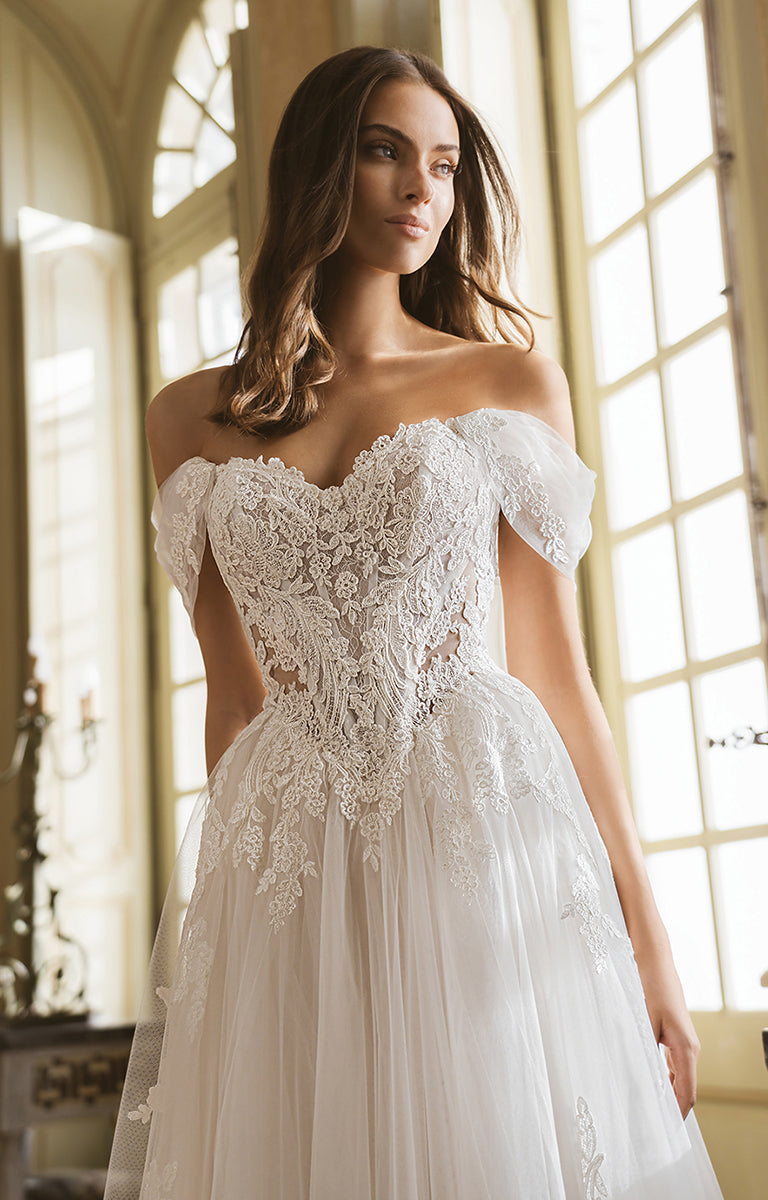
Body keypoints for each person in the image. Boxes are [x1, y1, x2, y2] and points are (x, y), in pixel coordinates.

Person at [105, 44, 724, 1200]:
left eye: (441, 164)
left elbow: (554, 674)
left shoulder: (506, 381)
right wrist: (224, 936)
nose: (419, 190)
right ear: (316, 172)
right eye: (385, 151)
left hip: (474, 835)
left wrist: (649, 943)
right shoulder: (189, 418)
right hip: (287, 865)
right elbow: (231, 699)